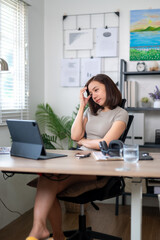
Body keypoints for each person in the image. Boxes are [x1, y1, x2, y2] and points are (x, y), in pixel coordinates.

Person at [26, 74, 128, 240]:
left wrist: (84, 141)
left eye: (96, 90)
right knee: (46, 178)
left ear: (108, 88)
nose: (93, 95)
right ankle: (44, 230)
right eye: (90, 92)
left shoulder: (120, 113)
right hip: (80, 158)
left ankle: (47, 233)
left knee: (49, 181)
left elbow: (106, 143)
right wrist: (82, 106)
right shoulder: (90, 111)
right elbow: (75, 135)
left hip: (99, 165)